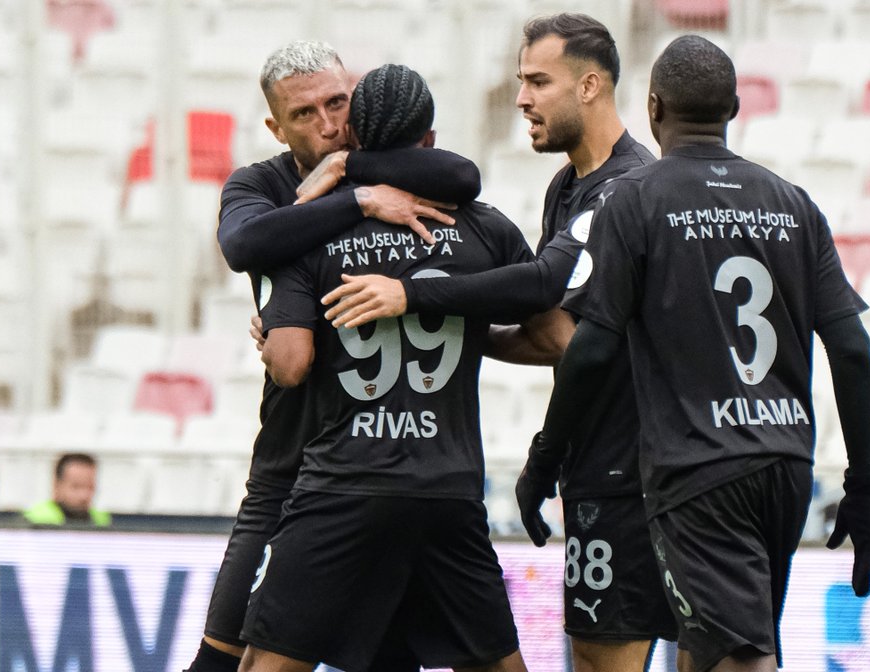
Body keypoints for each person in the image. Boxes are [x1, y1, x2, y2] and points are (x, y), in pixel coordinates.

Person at [314, 14, 677, 672]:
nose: (521, 99)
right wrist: (455, 331)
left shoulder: (627, 187)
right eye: (519, 81)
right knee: (591, 657)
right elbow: (558, 336)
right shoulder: (569, 186)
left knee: (610, 660)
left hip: (636, 467)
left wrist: (413, 296)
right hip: (595, 463)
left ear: (591, 85)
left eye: (538, 81)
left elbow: (541, 282)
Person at [519, 36, 870, 672]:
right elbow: (850, 348)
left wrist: (546, 455)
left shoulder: (635, 199)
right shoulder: (795, 204)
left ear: (653, 107)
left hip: (701, 469)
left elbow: (593, 348)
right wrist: (862, 485)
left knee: (739, 660)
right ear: (734, 108)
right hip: (786, 467)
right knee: (712, 649)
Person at [184, 40, 484, 672]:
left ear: (356, 94)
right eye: (304, 114)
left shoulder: (400, 171)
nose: (327, 125)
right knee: (220, 654)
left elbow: (465, 177)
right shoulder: (259, 183)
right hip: (290, 465)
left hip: (371, 469)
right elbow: (242, 244)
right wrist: (354, 201)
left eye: (336, 103)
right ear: (275, 125)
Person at [237, 63, 532, 672]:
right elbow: (554, 337)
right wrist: (466, 323)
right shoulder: (482, 227)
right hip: (446, 486)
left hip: (341, 486)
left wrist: (271, 338)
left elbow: (290, 365)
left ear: (355, 139)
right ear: (428, 139)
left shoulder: (307, 236)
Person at [23, 453, 111, 526]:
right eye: (76, 487)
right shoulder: (35, 521)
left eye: (90, 487)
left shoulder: (102, 521)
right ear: (56, 485)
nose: (84, 495)